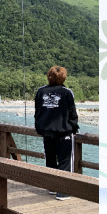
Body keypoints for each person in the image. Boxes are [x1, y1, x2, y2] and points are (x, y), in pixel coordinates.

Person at [35, 65, 79, 201]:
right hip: (63, 132)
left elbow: (38, 111)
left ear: (49, 76)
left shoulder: (41, 91)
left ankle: (53, 186)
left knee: (50, 158)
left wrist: (39, 127)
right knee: (65, 161)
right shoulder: (67, 92)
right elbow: (72, 113)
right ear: (63, 77)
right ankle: (63, 191)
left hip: (46, 131)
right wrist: (74, 127)